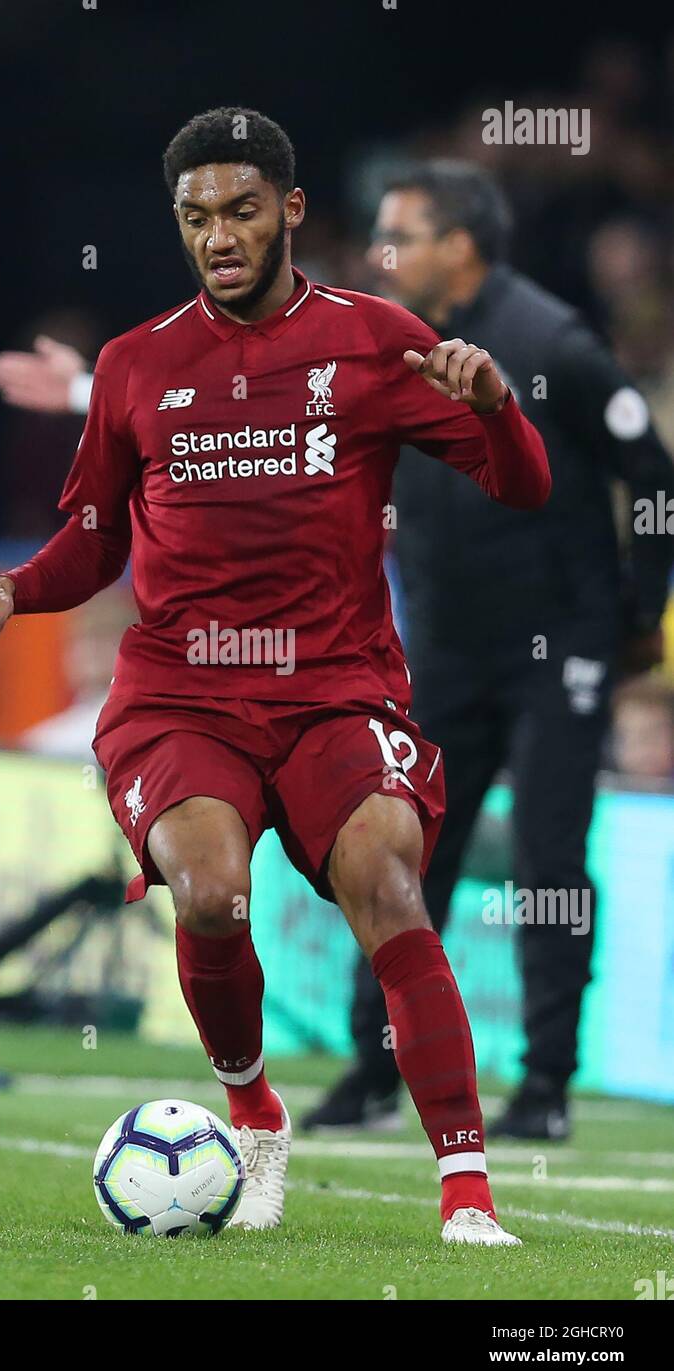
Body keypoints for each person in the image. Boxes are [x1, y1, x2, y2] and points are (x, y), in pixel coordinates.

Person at [0, 109, 551, 1244]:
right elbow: (93, 536)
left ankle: (465, 1192)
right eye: (193, 218)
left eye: (238, 210)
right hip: (180, 695)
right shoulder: (135, 365)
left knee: (389, 887)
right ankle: (251, 1112)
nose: (217, 236)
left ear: (289, 211)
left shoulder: (375, 341)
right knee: (213, 894)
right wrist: (12, 590)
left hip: (335, 689)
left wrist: (496, 409)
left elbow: (520, 486)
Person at [302, 160, 674, 1141]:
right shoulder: (383, 348)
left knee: (547, 860)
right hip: (445, 653)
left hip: (558, 650)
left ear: (457, 246)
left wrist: (639, 614)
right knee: (397, 855)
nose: (379, 254)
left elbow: (651, 471)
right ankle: (372, 1070)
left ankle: (543, 1087)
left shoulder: (548, 340)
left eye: (399, 234)